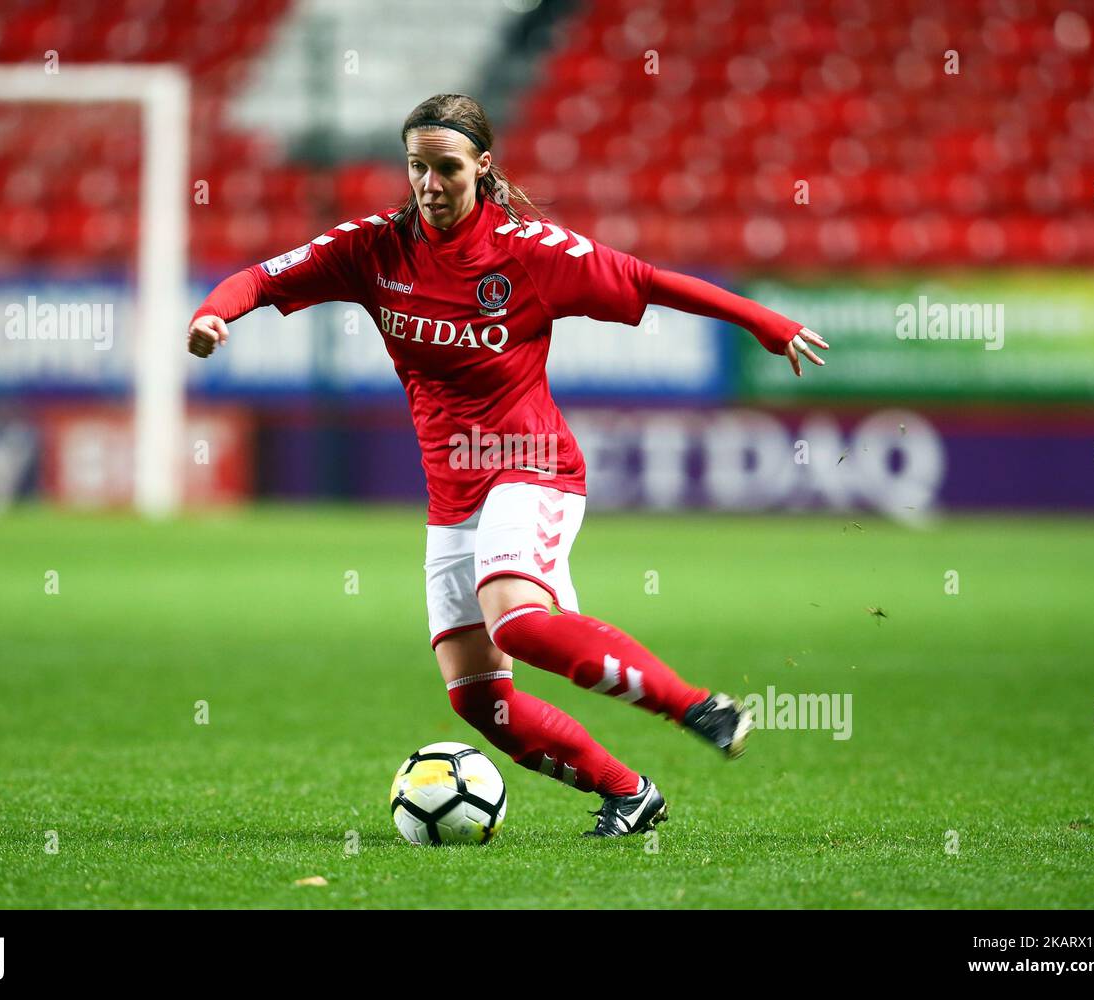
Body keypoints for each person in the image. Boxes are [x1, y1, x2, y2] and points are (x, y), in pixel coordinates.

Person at [188, 93, 829, 837]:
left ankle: (696, 706)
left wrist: (764, 321)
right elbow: (263, 278)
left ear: (483, 167)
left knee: (519, 622)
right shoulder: (376, 248)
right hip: (452, 494)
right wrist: (213, 314)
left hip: (533, 467)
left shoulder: (532, 253)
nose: (430, 183)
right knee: (478, 702)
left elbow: (650, 282)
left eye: (447, 168)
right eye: (417, 167)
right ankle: (629, 794)